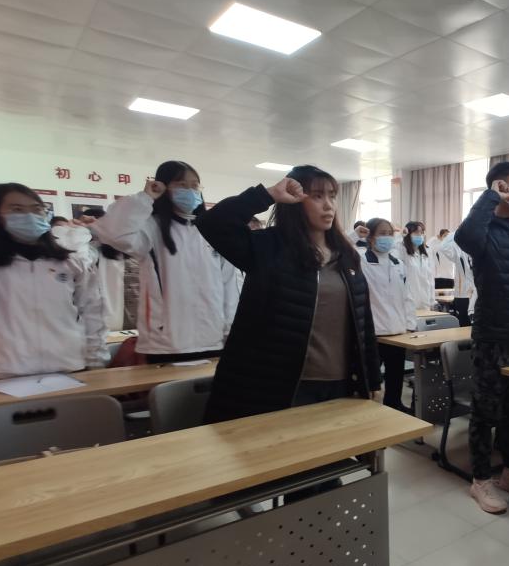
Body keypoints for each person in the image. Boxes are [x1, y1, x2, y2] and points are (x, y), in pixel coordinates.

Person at [195, 165, 381, 424]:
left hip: (340, 385)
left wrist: (373, 379)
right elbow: (212, 223)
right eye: (317, 196)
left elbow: (363, 322)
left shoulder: (346, 256)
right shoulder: (268, 248)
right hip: (280, 388)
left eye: (332, 196)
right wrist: (267, 194)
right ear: (295, 201)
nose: (328, 205)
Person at [456, 161, 509, 514]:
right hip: (492, 336)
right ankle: (480, 481)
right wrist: (489, 197)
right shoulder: (485, 229)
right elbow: (464, 236)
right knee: (485, 411)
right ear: (500, 187)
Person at [92, 161, 239, 362]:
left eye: (195, 185)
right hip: (165, 343)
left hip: (212, 338)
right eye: (181, 185)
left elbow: (229, 287)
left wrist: (230, 329)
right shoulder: (151, 228)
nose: (190, 191)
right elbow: (113, 233)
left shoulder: (213, 231)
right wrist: (145, 198)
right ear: (164, 187)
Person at [0, 183, 108, 378]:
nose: (30, 216)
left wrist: (96, 362)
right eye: (17, 209)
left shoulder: (70, 262)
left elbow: (92, 314)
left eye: (37, 209)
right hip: (6, 372)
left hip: (69, 367)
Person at [359, 217, 415, 412]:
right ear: (370, 237)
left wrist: (410, 325)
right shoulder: (362, 260)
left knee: (395, 374)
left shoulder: (398, 263)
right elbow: (340, 252)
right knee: (370, 379)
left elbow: (407, 296)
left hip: (397, 331)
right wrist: (354, 236)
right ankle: (366, 413)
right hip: (373, 332)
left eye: (390, 233)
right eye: (382, 233)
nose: (388, 237)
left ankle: (394, 405)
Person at [439, 228, 476, 326]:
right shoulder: (458, 250)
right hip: (463, 295)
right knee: (464, 326)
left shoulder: (482, 248)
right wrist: (458, 231)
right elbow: (443, 247)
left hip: (480, 295)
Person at [401, 221, 436, 310]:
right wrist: (401, 235)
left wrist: (432, 300)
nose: (420, 235)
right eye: (416, 232)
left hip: (425, 300)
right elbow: (393, 249)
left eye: (422, 232)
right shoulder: (402, 250)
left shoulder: (426, 253)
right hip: (409, 301)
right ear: (408, 234)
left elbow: (430, 278)